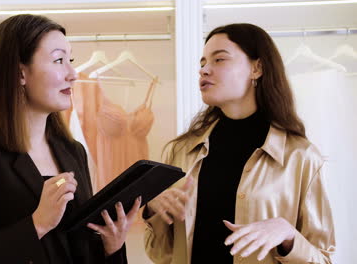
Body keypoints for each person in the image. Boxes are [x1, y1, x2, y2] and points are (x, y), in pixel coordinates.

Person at [0, 14, 141, 264]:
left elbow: (80, 250)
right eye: (59, 60)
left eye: (70, 60)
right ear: (20, 73)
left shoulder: (73, 152)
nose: (73, 73)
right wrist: (36, 225)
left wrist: (111, 247)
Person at [143, 23, 335, 264]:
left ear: (257, 68)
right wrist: (153, 211)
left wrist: (288, 235)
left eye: (219, 60)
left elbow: (323, 259)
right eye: (202, 63)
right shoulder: (182, 151)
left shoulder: (301, 157)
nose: (204, 70)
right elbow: (161, 255)